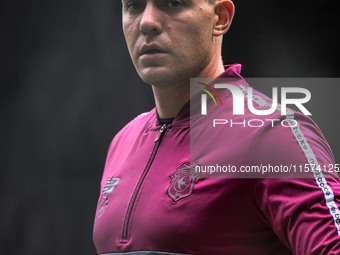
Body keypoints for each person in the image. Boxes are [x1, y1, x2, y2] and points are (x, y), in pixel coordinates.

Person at [93, 0, 340, 254]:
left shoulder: (272, 133)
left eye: (172, 3)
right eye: (134, 6)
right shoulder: (123, 142)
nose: (147, 22)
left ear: (220, 17)